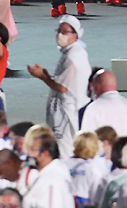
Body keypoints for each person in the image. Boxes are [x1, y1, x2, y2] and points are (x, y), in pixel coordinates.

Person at [27, 16, 90, 158]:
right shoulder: (72, 52)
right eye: (59, 31)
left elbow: (62, 87)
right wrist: (46, 75)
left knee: (64, 149)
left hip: (66, 113)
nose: (60, 35)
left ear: (76, 34)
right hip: (64, 110)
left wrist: (42, 76)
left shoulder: (73, 57)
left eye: (65, 32)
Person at [22, 137, 73, 208]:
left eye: (32, 150)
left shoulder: (52, 179)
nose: (29, 154)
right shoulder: (47, 174)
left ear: (46, 154)